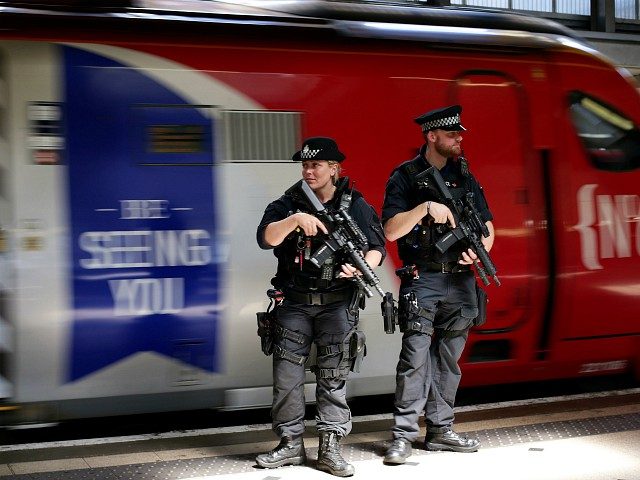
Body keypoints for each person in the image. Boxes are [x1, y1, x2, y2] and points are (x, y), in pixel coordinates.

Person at [255, 136, 386, 477]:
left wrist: (361, 267)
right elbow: (266, 237)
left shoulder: (354, 204)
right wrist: (295, 220)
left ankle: (331, 447)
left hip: (337, 303)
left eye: (316, 165)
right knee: (287, 378)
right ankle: (289, 444)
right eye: (306, 165)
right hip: (294, 303)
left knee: (333, 377)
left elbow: (376, 247)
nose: (309, 171)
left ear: (333, 169)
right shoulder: (290, 201)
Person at [381, 105, 495, 464]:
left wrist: (479, 253)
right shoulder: (405, 176)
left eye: (459, 134)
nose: (459, 138)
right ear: (431, 136)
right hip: (423, 279)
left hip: (461, 281)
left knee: (449, 360)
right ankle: (402, 436)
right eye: (452, 134)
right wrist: (424, 208)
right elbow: (390, 231)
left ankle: (440, 430)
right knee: (414, 359)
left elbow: (488, 227)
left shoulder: (465, 174)